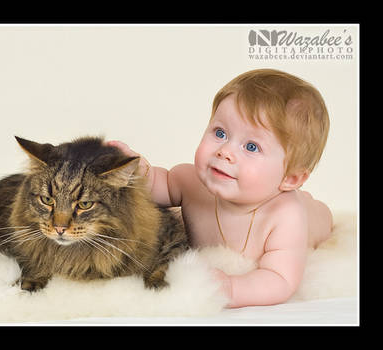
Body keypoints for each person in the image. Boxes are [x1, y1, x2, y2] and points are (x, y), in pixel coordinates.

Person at [108, 69, 333, 308]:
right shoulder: (190, 180)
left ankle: (315, 206)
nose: (224, 151)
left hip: (310, 218)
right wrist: (138, 169)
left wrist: (233, 288)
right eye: (220, 133)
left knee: (318, 215)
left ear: (291, 178)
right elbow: (156, 187)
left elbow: (280, 279)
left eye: (251, 147)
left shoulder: (285, 216)